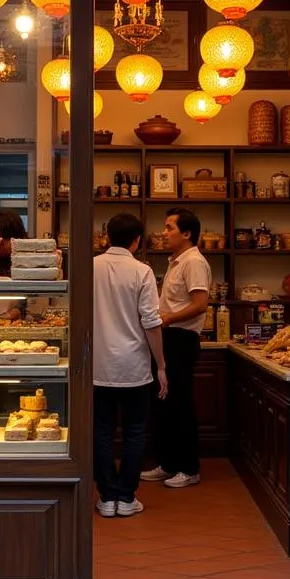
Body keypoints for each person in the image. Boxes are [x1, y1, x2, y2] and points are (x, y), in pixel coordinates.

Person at [93, 213, 168, 518]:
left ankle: (106, 497)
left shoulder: (90, 267)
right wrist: (161, 366)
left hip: (97, 365)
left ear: (107, 236)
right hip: (134, 366)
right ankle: (126, 498)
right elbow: (151, 323)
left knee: (101, 432)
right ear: (137, 240)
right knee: (135, 431)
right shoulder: (142, 271)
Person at [141, 207, 211, 489]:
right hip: (167, 338)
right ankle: (168, 463)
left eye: (169, 227)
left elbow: (200, 304)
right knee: (163, 403)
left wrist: (167, 317)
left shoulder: (194, 261)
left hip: (181, 339)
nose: (163, 232)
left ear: (187, 233)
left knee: (180, 404)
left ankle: (189, 467)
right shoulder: (176, 262)